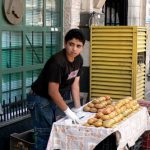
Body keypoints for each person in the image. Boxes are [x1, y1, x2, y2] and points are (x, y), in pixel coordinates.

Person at [27, 28, 85, 150]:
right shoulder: (57, 62)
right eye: (71, 44)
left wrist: (78, 108)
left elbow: (75, 85)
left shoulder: (79, 60)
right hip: (39, 98)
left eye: (78, 46)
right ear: (65, 43)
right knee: (44, 135)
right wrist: (69, 112)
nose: (74, 49)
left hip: (53, 99)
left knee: (53, 134)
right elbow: (52, 91)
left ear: (82, 47)